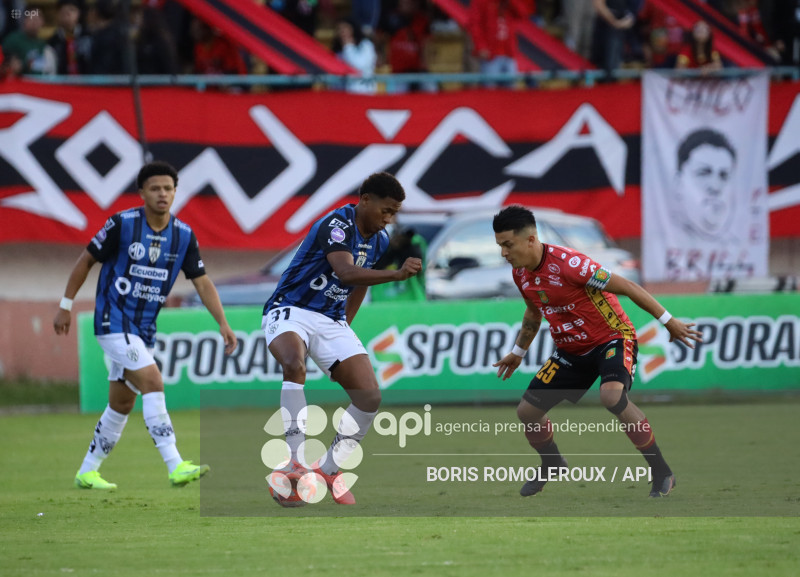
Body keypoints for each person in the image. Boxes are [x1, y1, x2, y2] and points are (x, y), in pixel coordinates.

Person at [491, 205, 702, 498]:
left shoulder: (571, 264)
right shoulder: (521, 273)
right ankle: (552, 462)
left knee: (612, 396)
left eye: (507, 244)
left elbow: (628, 286)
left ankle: (662, 472)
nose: (503, 253)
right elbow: (533, 312)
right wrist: (518, 351)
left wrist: (669, 322)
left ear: (530, 239)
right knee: (527, 412)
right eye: (500, 245)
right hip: (571, 350)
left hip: (611, 339)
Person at [53, 161, 237, 490]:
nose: (162, 194)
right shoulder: (121, 225)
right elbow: (86, 260)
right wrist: (65, 305)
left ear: (175, 192)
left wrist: (222, 322)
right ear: (142, 193)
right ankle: (175, 464)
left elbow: (202, 282)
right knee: (153, 379)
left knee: (121, 403)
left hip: (143, 328)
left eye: (168, 188)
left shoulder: (183, 235)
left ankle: (87, 470)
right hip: (112, 320)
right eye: (155, 188)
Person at [262, 172, 422, 505]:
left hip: (330, 319)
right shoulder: (337, 225)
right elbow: (347, 273)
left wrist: (344, 327)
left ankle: (328, 469)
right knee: (294, 364)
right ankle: (294, 461)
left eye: (394, 213)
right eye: (386, 211)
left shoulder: (378, 239)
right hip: (292, 308)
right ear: (366, 201)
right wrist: (397, 273)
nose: (389, 219)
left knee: (370, 398)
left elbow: (362, 283)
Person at [671, 128, 737, 241]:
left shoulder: (737, 244)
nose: (715, 187)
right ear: (678, 183)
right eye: (703, 173)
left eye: (724, 176)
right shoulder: (663, 238)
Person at [332, 17, 377, 94]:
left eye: (345, 28)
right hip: (341, 94)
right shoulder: (338, 50)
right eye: (340, 29)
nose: (342, 32)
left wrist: (348, 47)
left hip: (364, 92)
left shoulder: (366, 45)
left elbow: (358, 66)